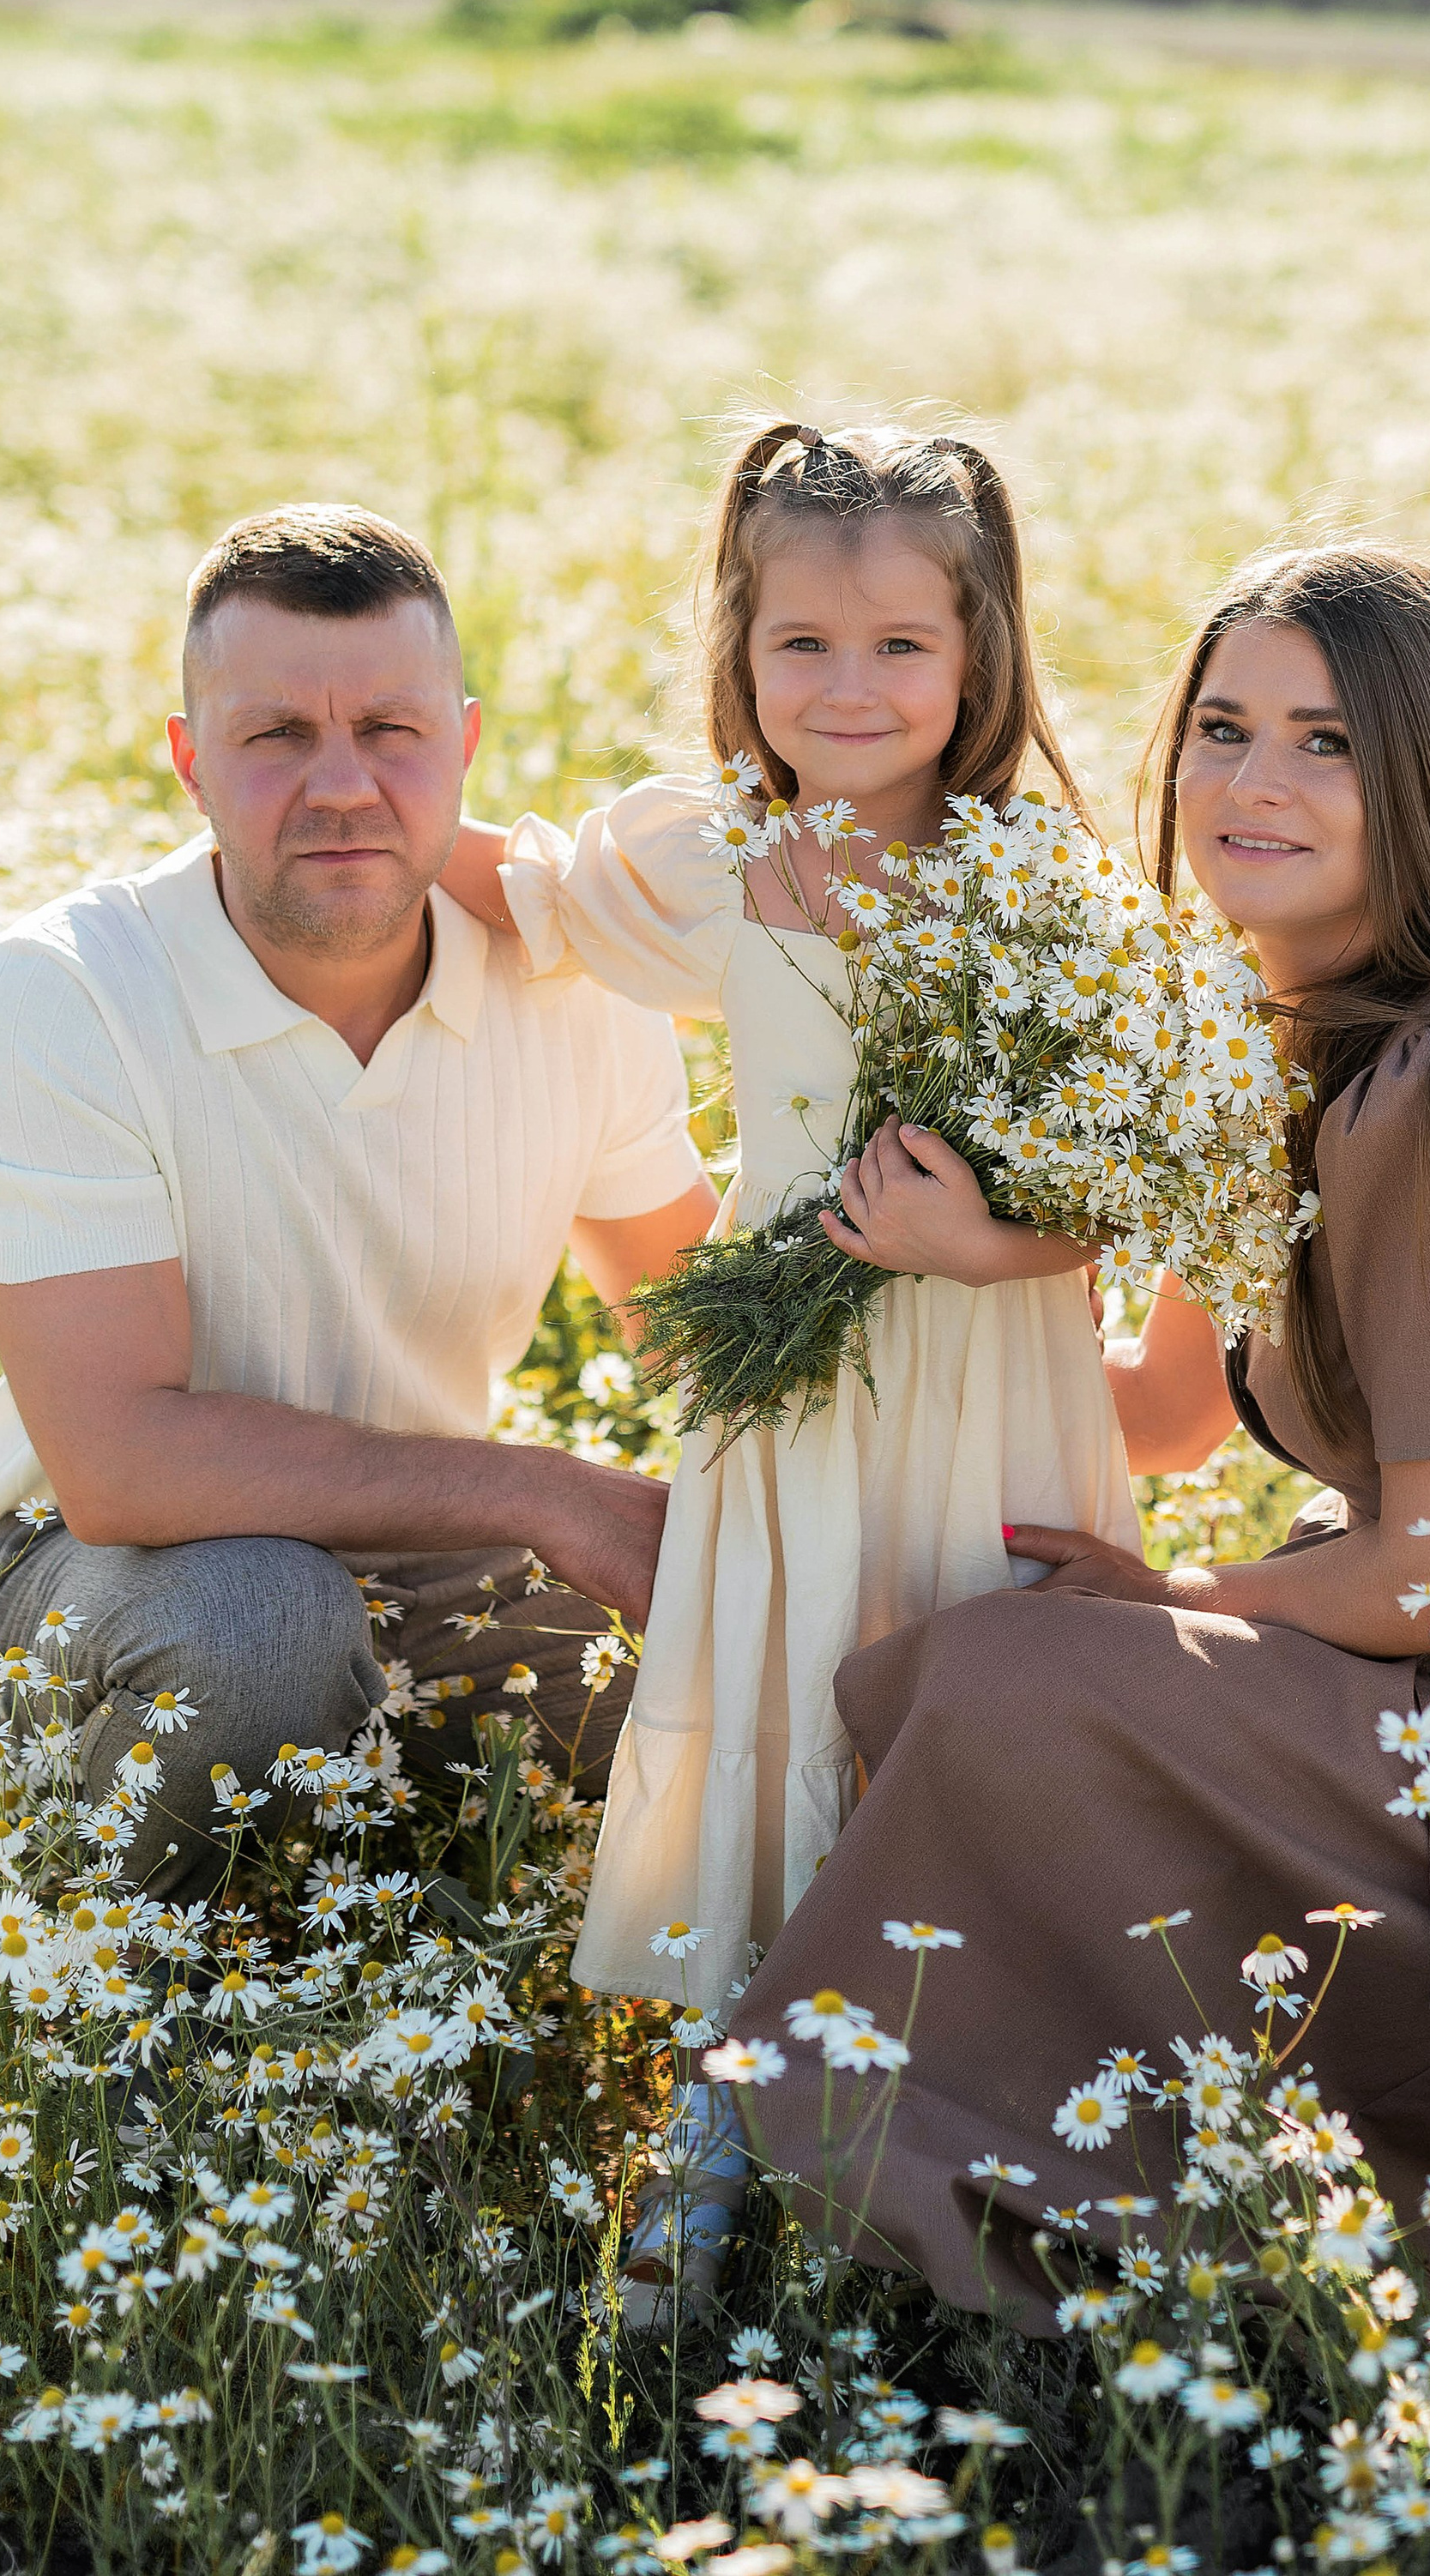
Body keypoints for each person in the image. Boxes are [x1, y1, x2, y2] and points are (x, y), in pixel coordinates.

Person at [721, 540, 1430, 2331]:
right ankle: (940, 2158)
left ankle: (843, 2168)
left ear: (1426, 782)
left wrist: (1160, 1605)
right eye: (1220, 728)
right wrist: (979, 1254)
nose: (1251, 783)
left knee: (1006, 1685)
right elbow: (1160, 1410)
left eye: (1326, 744)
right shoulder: (1266, 1035)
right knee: (966, 1663)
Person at [440, 423, 1137, 2300]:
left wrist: (966, 1237)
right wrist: (350, 785)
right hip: (793, 1386)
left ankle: (949, 2106)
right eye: (797, 645)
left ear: (978, 654)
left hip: (985, 1371)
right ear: (737, 650)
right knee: (780, 1694)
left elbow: (1098, 1188)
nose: (846, 688)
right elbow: (521, 893)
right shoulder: (717, 855)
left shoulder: (1034, 884)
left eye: (899, 646)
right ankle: (725, 2108)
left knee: (957, 1689)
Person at [0, 503, 717, 1894]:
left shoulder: (573, 985)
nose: (342, 784)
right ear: (190, 763)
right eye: (276, 735)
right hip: (113, 1577)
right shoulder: (66, 992)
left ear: (464, 747)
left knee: (770, 1692)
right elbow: (117, 1468)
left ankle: (394, 1926)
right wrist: (544, 1493)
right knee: (268, 1631)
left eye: (391, 732)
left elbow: (700, 1341)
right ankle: (110, 1998)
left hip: (432, 1562)